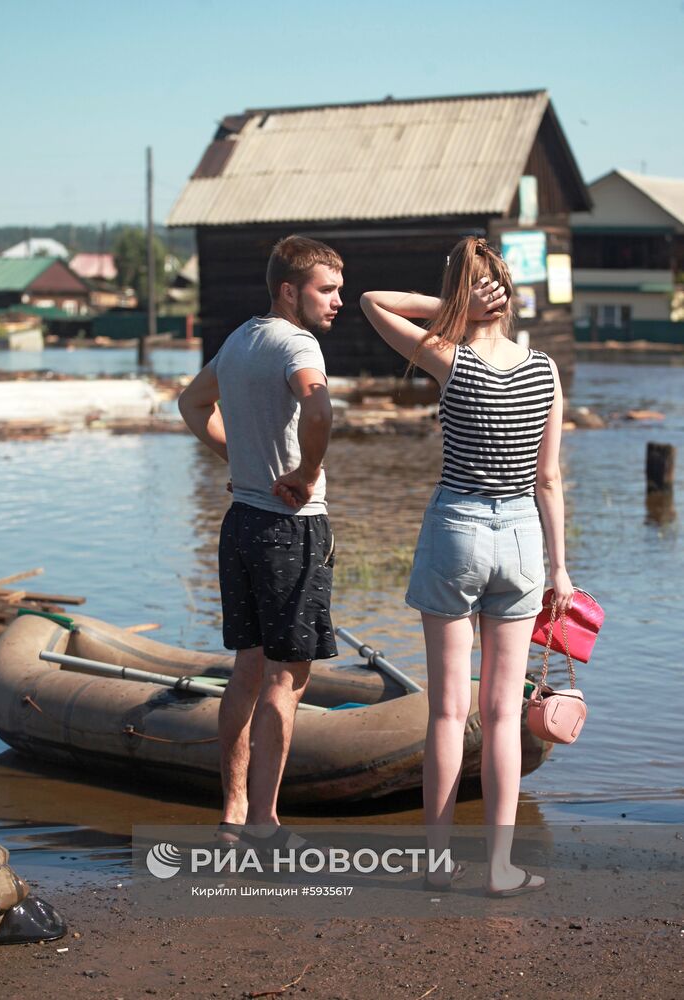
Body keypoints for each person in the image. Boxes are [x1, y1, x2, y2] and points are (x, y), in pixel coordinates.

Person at [360, 236, 573, 896]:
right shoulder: (545, 370)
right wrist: (561, 571)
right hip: (520, 539)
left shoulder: (446, 357)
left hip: (456, 530)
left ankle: (436, 863)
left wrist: (450, 308)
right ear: (507, 292)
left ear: (461, 294)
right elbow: (549, 479)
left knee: (449, 713)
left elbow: (371, 302)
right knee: (503, 715)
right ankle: (502, 868)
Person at [178, 235, 343, 851]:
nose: (336, 303)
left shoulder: (241, 338)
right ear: (288, 290)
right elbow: (319, 412)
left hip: (240, 523)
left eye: (338, 291)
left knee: (246, 670)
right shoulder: (298, 345)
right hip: (290, 529)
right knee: (285, 680)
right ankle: (266, 826)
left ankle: (233, 813)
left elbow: (192, 403)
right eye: (325, 291)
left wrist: (237, 454)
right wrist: (303, 475)